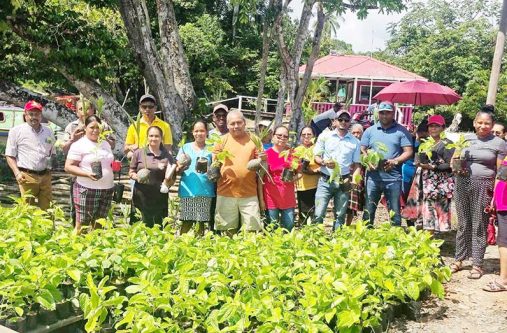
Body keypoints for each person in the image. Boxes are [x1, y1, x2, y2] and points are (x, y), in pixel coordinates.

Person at [451, 110, 507, 279]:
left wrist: (495, 195)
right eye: (480, 123)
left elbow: (500, 171)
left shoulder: (499, 143)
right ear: (474, 123)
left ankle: (477, 264)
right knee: (463, 223)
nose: (483, 126)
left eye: (487, 123)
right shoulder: (465, 139)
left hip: (484, 186)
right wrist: (456, 164)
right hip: (462, 183)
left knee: (479, 224)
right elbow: (453, 160)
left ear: (492, 125)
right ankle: (459, 259)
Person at [361, 101, 413, 227]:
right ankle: (364, 235)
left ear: (393, 113)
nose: (384, 116)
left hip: (393, 177)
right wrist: (367, 160)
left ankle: (395, 235)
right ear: (378, 114)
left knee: (394, 209)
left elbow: (409, 151)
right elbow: (362, 149)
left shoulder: (401, 131)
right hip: (373, 177)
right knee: (369, 208)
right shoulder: (370, 131)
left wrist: (395, 161)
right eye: (382, 113)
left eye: (388, 113)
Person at [62, 98, 115, 224]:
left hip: (107, 189)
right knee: (82, 225)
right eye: (92, 127)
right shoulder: (79, 143)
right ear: (85, 128)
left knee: (99, 225)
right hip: (87, 188)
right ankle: (76, 244)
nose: (95, 130)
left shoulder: (104, 143)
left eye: (98, 127)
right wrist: (87, 174)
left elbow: (109, 158)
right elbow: (68, 167)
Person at [214, 110, 264, 235]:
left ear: (244, 123)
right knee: (227, 232)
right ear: (227, 125)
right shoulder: (221, 141)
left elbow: (262, 167)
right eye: (232, 123)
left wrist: (263, 160)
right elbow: (215, 165)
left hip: (249, 194)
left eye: (239, 123)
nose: (236, 126)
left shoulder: (254, 140)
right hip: (226, 192)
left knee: (252, 231)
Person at [405, 115, 455, 234]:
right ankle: (428, 238)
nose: (433, 129)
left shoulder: (447, 144)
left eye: (436, 126)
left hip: (440, 183)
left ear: (443, 128)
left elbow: (450, 165)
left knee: (438, 210)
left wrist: (434, 167)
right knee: (427, 210)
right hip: (426, 180)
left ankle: (433, 239)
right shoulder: (426, 143)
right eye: (431, 126)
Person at [313, 109, 361, 230]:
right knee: (319, 213)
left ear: (349, 122)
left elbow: (357, 164)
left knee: (340, 215)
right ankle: (315, 239)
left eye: (346, 120)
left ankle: (336, 241)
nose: (343, 122)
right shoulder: (325, 136)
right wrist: (324, 162)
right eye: (340, 119)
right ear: (335, 121)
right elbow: (316, 157)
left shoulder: (355, 141)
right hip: (325, 179)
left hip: (343, 181)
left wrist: (355, 180)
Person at [5, 100, 55, 210]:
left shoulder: (48, 131)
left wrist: (50, 165)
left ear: (41, 116)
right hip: (27, 176)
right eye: (31, 114)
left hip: (45, 175)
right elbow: (9, 155)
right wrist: (17, 173)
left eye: (36, 114)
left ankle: (47, 228)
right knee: (27, 210)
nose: (34, 117)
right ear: (25, 115)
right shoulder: (16, 131)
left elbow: (52, 152)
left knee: (48, 210)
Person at [128, 126, 174, 227]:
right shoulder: (139, 153)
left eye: (157, 136)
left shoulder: (167, 156)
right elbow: (131, 172)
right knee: (139, 226)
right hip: (140, 197)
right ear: (147, 137)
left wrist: (167, 184)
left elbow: (172, 177)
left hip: (159, 198)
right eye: (151, 136)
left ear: (161, 138)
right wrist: (138, 177)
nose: (153, 138)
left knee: (158, 227)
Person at [176, 120, 215, 235]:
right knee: (186, 221)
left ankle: (199, 248)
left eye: (202, 131)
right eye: (196, 131)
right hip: (188, 190)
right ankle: (181, 245)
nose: (199, 133)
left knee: (200, 223)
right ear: (192, 133)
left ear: (207, 132)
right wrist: (180, 168)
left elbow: (215, 168)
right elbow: (178, 168)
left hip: (205, 191)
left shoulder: (212, 148)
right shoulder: (185, 147)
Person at [261, 125, 297, 231]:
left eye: (285, 136)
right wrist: (261, 199)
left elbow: (299, 173)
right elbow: (260, 178)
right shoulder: (266, 154)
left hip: (287, 196)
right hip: (270, 196)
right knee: (272, 228)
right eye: (279, 135)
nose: (282, 138)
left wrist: (292, 179)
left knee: (289, 227)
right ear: (273, 136)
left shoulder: (292, 154)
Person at [483, 157, 507, 292]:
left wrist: (495, 200)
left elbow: (502, 176)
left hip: (505, 201)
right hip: (502, 199)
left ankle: (504, 280)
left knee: (504, 242)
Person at [296, 126, 320, 226]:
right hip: (302, 187)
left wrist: (313, 171)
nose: (306, 136)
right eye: (303, 134)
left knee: (315, 214)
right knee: (304, 215)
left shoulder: (318, 149)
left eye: (309, 134)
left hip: (317, 186)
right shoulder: (297, 150)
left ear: (314, 136)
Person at [346, 123, 365, 226]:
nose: (356, 135)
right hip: (346, 175)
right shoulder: (347, 143)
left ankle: (348, 224)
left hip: (358, 176)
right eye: (354, 132)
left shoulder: (365, 146)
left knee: (352, 205)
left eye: (358, 132)